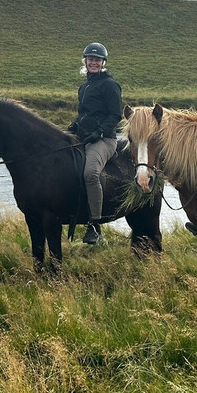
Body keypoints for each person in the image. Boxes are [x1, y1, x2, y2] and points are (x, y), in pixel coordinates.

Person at [68, 42, 122, 245]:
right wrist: (72, 128)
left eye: (97, 60)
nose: (93, 62)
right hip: (84, 137)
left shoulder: (110, 85)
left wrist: (99, 132)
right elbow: (84, 115)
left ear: (103, 63)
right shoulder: (84, 87)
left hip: (104, 140)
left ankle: (94, 225)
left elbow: (115, 115)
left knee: (90, 173)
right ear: (85, 61)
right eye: (90, 59)